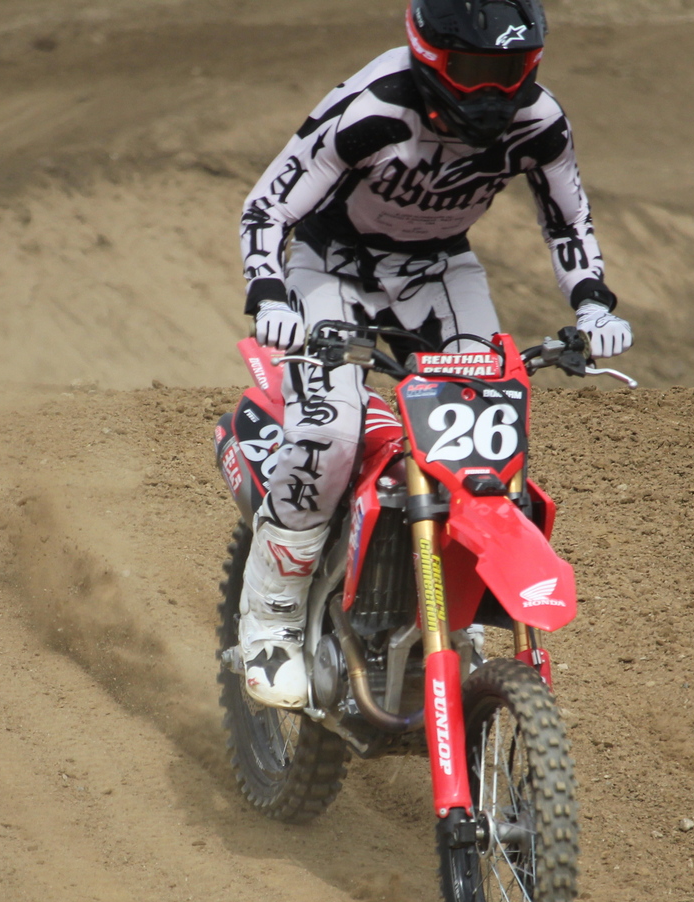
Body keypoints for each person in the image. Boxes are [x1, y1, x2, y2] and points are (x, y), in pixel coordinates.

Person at [233, 0, 632, 708]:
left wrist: (593, 305)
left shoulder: (539, 122)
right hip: (331, 267)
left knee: (487, 443)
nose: (494, 90)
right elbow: (269, 207)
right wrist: (269, 296)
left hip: (441, 271)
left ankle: (450, 604)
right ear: (431, 56)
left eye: (511, 68)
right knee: (331, 431)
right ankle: (273, 615)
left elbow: (569, 221)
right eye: (476, 68)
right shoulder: (374, 109)